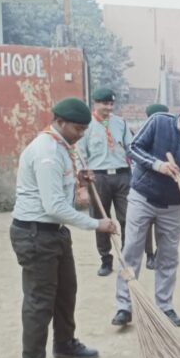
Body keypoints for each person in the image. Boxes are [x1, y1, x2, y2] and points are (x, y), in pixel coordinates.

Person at [10, 97, 116, 358]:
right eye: (78, 129)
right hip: (35, 234)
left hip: (53, 233)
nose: (81, 134)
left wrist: (78, 178)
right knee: (39, 301)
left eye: (85, 129)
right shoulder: (46, 152)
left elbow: (59, 190)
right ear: (60, 122)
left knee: (66, 291)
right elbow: (54, 205)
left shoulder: (62, 147)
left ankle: (65, 343)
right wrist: (97, 224)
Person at [111, 97, 180, 328]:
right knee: (132, 249)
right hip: (143, 197)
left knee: (168, 256)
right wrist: (159, 165)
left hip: (173, 205)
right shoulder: (159, 122)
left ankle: (164, 306)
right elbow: (134, 148)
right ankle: (124, 306)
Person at [77, 88, 132, 276]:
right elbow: (80, 156)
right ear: (95, 103)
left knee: (127, 218)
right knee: (100, 219)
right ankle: (106, 260)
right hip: (98, 177)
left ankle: (127, 257)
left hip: (122, 175)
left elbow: (130, 148)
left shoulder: (120, 123)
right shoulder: (86, 126)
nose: (108, 108)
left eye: (111, 104)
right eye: (104, 104)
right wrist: (82, 186)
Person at [142, 103, 170, 270]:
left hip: (166, 187)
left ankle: (160, 253)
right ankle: (149, 255)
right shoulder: (142, 136)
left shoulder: (172, 136)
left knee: (164, 223)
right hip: (147, 186)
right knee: (147, 223)